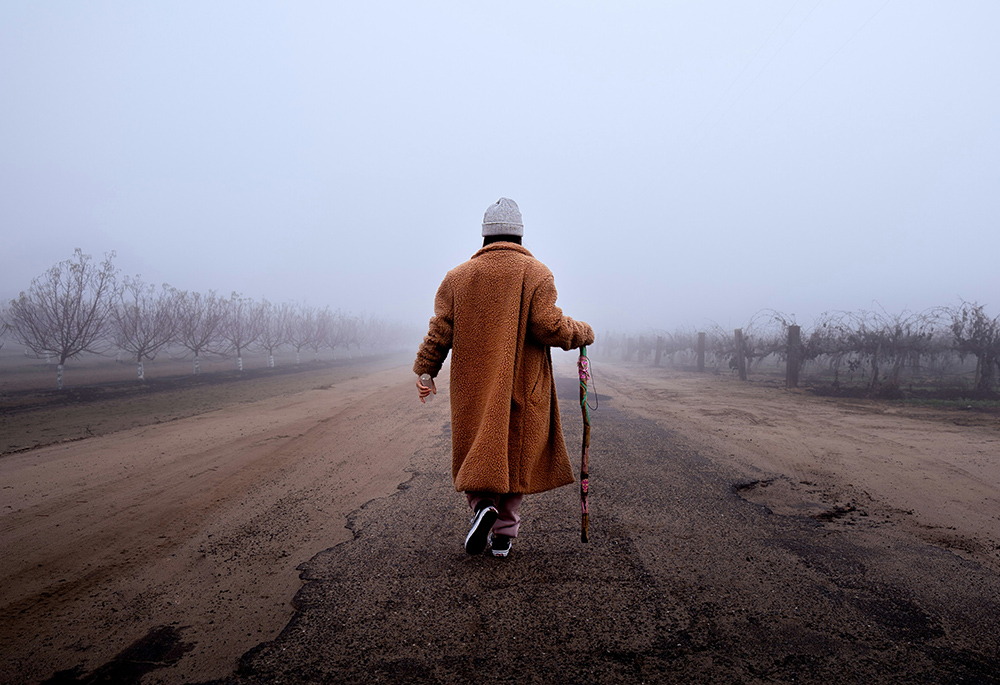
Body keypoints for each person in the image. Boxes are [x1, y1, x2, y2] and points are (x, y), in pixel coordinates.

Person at [413, 197, 594, 558]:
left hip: (473, 387)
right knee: (515, 454)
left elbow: (440, 331)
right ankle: (503, 535)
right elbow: (550, 326)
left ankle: (482, 506)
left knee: (479, 450)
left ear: (484, 237)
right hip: (522, 386)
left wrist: (425, 369)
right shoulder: (536, 273)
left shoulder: (456, 278)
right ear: (520, 236)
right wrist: (583, 332)